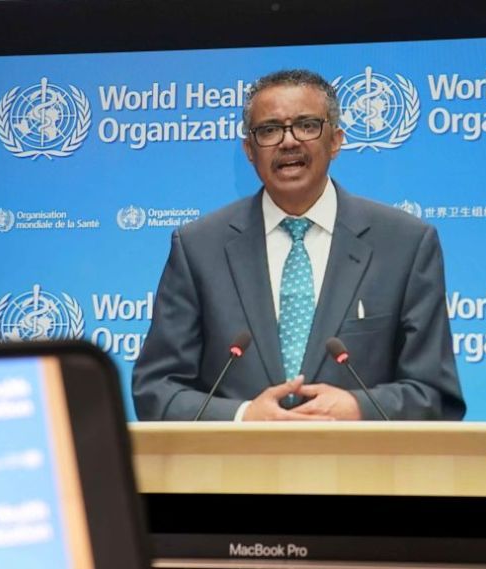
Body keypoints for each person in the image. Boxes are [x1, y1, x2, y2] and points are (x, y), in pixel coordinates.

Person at [132, 69, 465, 421]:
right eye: (269, 130)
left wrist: (358, 408)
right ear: (249, 150)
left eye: (306, 126)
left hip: (357, 456)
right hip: (238, 457)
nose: (288, 141)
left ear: (336, 140)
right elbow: (157, 390)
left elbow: (434, 394)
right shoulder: (199, 248)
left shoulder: (404, 243)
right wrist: (244, 417)